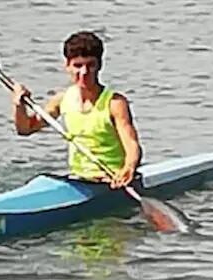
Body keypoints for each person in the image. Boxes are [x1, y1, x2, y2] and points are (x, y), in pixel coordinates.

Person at [11, 31, 141, 188]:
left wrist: (128, 168)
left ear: (99, 65)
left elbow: (132, 144)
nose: (84, 72)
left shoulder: (115, 103)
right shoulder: (62, 99)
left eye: (90, 65)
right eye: (78, 66)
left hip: (112, 180)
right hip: (78, 180)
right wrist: (19, 106)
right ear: (67, 66)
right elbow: (25, 129)